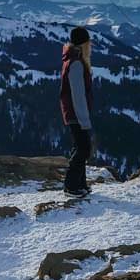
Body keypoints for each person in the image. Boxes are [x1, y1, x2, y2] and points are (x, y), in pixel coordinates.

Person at [59, 26, 94, 197]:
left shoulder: (72, 60)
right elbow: (78, 95)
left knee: (80, 147)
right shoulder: (77, 64)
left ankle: (80, 185)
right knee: (83, 149)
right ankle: (71, 186)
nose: (91, 45)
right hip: (76, 114)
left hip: (72, 113)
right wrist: (84, 119)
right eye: (88, 42)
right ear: (83, 44)